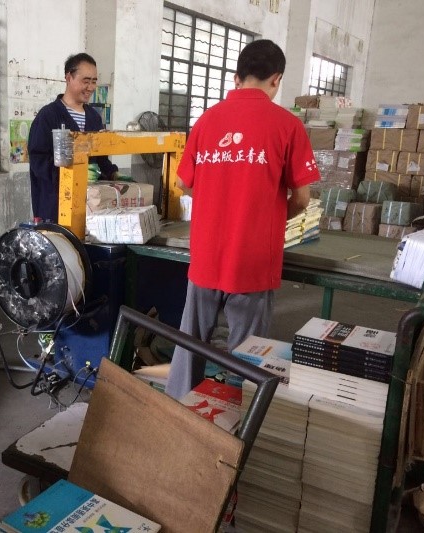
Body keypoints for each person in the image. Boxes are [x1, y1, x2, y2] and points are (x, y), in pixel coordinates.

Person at [165, 39, 320, 399]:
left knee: (190, 343)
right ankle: (238, 417)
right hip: (253, 259)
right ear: (276, 79)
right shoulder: (287, 126)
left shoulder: (207, 120)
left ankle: (176, 410)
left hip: (206, 253)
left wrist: (216, 203)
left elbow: (182, 183)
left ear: (237, 76)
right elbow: (302, 198)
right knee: (249, 355)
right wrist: (269, 216)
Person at [27, 53, 118, 222]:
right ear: (69, 78)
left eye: (94, 81)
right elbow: (38, 160)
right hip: (56, 206)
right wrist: (73, 172)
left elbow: (101, 159)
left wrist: (113, 173)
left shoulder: (94, 118)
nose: (90, 87)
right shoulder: (48, 116)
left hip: (90, 205)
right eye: (86, 81)